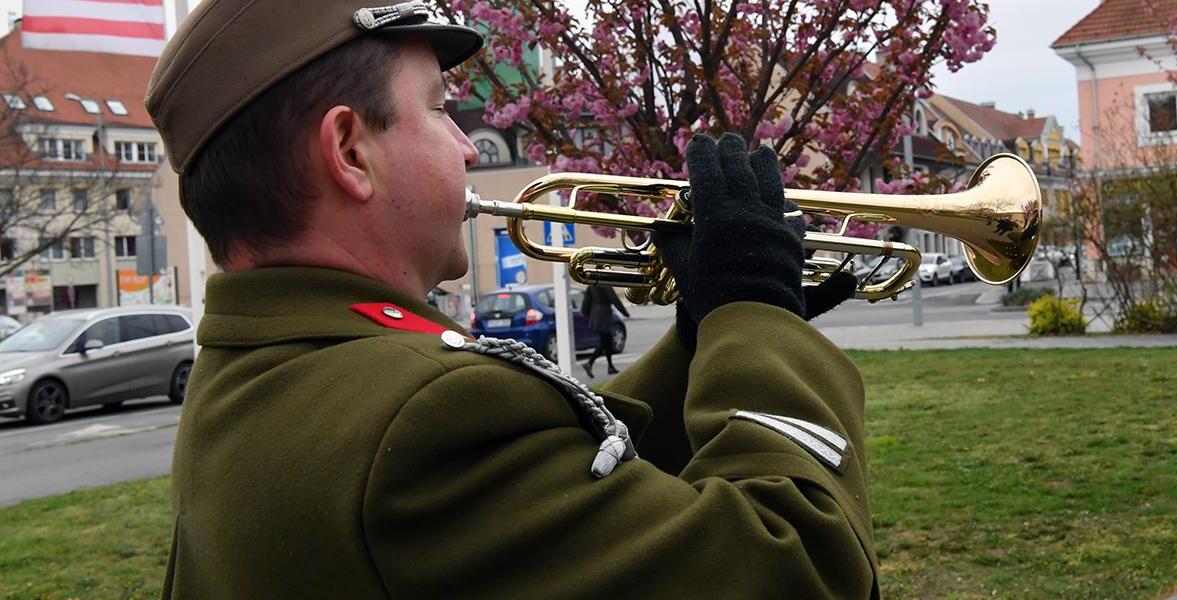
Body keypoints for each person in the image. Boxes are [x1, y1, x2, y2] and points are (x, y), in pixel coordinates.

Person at [145, 1, 872, 596]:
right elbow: (799, 564)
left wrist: (702, 337)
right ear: (350, 152)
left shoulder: (262, 369)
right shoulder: (421, 419)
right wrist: (759, 318)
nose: (467, 148)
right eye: (438, 110)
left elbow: (571, 482)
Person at [581, 283, 631, 377]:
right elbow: (614, 299)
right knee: (605, 343)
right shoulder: (604, 284)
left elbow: (587, 300)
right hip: (603, 316)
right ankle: (590, 363)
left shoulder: (592, 285)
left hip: (596, 315)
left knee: (607, 342)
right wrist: (624, 312)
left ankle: (610, 366)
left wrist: (585, 313)